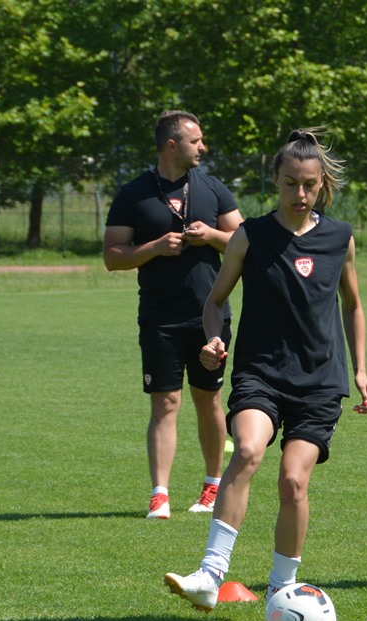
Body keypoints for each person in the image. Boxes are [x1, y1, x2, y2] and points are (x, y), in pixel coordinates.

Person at [164, 129, 367, 612]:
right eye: (290, 184)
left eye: (309, 185)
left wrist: (361, 369)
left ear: (322, 184)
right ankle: (210, 574)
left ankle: (282, 590)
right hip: (260, 373)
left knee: (294, 481)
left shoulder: (340, 238)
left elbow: (353, 305)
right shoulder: (250, 236)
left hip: (320, 381)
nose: (300, 194)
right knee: (247, 451)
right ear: (275, 182)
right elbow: (215, 301)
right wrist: (212, 339)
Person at [104, 110, 244, 520]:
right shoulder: (133, 194)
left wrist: (212, 236)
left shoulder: (213, 188)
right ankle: (159, 495)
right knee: (165, 402)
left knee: (208, 399)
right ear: (171, 145)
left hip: (209, 316)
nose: (203, 147)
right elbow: (112, 256)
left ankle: (212, 487)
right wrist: (155, 247)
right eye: (195, 141)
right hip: (159, 317)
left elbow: (244, 241)